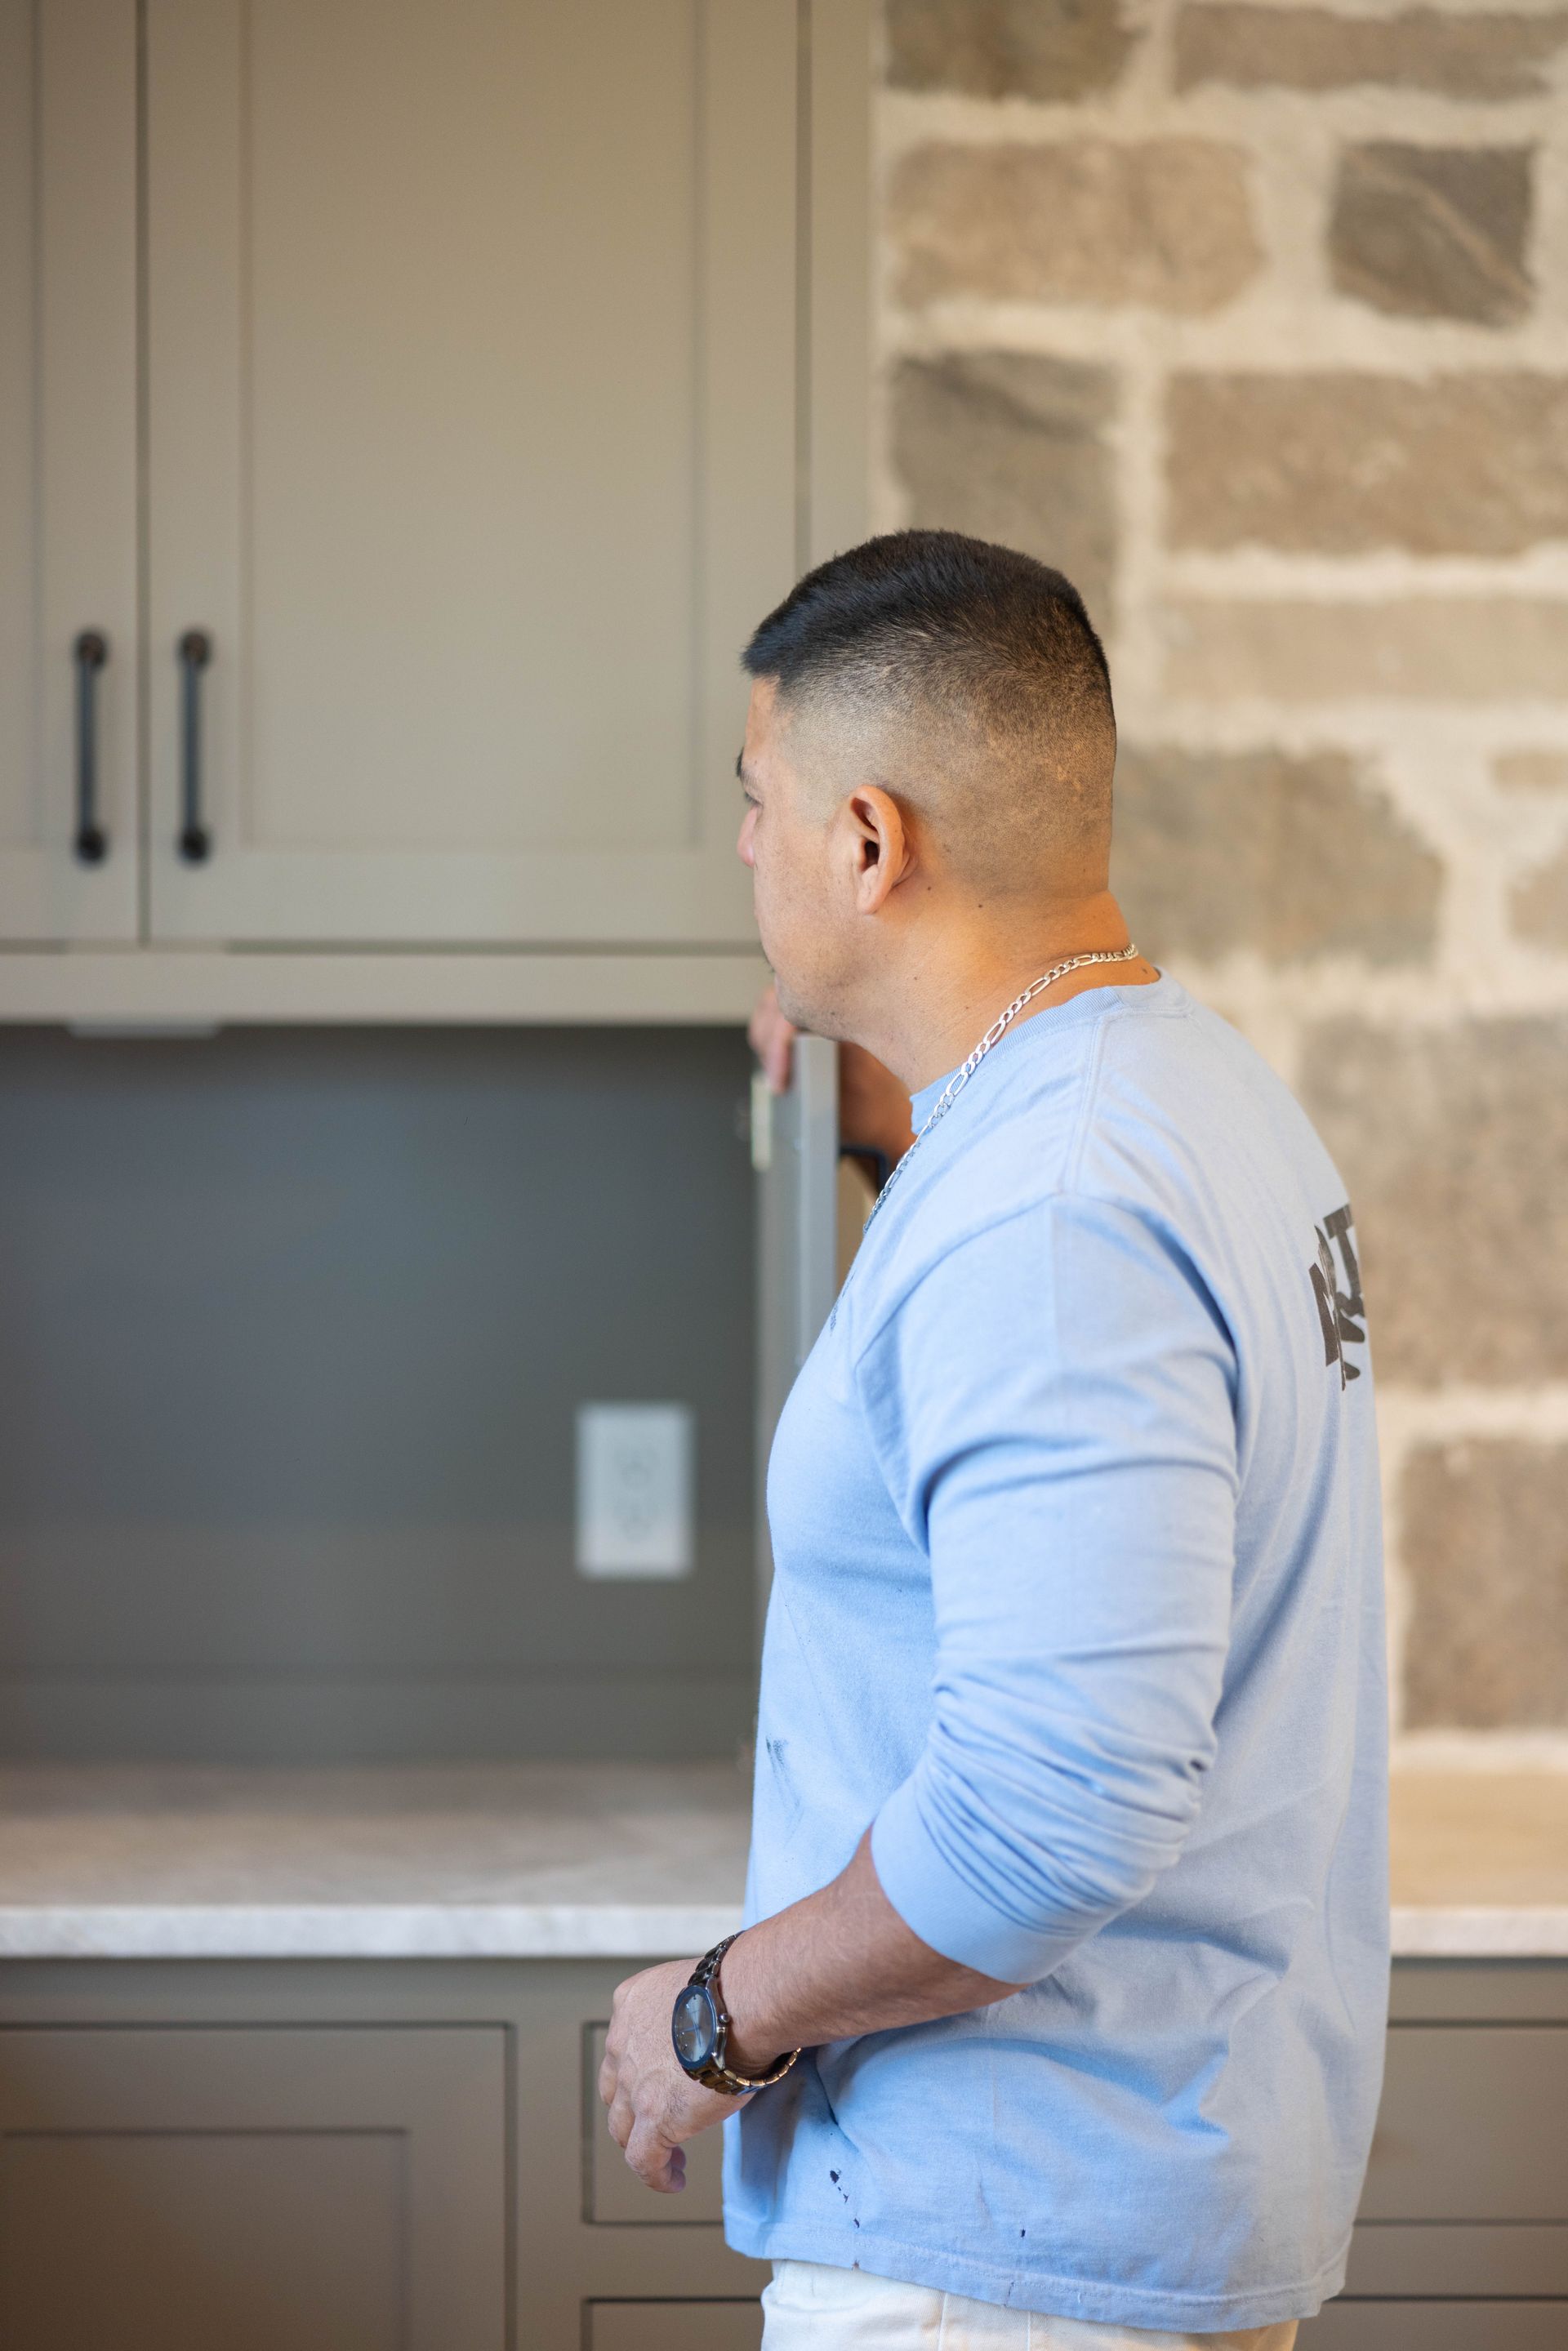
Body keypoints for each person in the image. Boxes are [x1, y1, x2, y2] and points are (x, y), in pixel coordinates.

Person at [599, 530, 1388, 2349]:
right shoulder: (1190, 1101)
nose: (743, 849)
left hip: (1004, 2263)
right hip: (1122, 2196)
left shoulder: (1047, 1206)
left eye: (756, 800)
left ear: (868, 842)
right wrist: (892, 1128)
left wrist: (715, 2015)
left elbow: (1050, 1809)